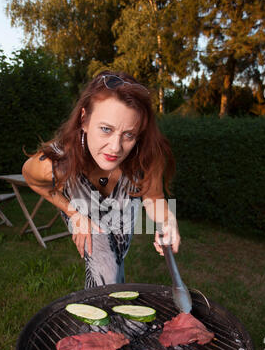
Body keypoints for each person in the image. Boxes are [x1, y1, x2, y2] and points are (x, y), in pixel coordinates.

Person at [22, 71, 181, 288]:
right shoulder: (55, 163)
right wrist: (73, 213)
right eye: (106, 129)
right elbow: (32, 180)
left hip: (121, 212)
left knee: (115, 261)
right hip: (80, 206)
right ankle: (104, 318)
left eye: (129, 135)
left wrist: (167, 222)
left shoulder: (147, 155)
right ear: (84, 120)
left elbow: (153, 197)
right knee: (106, 266)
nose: (115, 148)